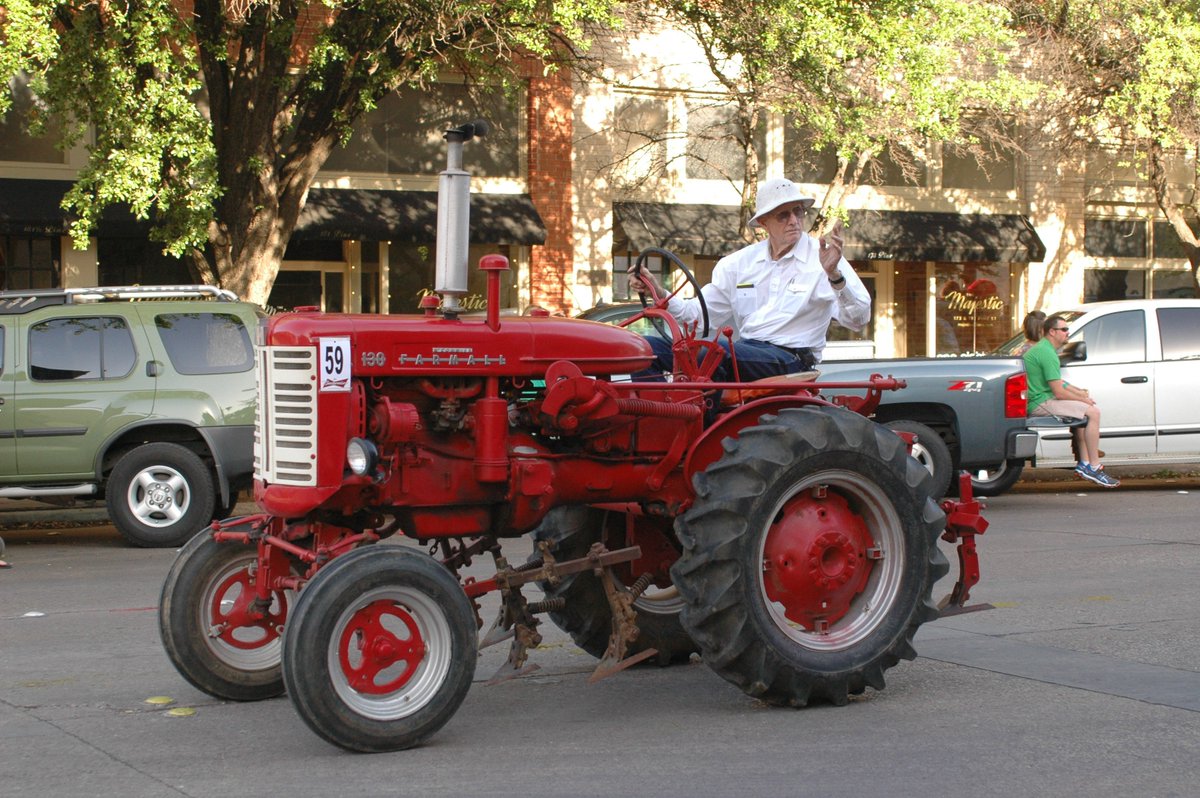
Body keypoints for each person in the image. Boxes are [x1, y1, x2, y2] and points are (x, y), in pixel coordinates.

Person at [628, 177, 871, 382]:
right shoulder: (737, 264)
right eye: (783, 215)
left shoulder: (824, 260)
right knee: (640, 349)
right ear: (764, 223)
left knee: (711, 353)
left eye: (798, 211)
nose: (794, 221)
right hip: (746, 351)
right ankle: (654, 420)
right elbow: (701, 317)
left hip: (791, 360)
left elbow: (858, 319)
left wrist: (835, 277)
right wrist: (659, 293)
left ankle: (693, 428)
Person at [1023, 314, 1119, 487]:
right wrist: (1084, 401)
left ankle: (1084, 463)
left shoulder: (1045, 349)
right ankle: (1094, 466)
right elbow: (1058, 392)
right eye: (1064, 329)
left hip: (1043, 398)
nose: (1068, 333)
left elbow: (1058, 381)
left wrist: (1079, 394)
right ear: (1052, 332)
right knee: (1093, 412)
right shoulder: (1046, 353)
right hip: (1039, 402)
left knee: (1084, 410)